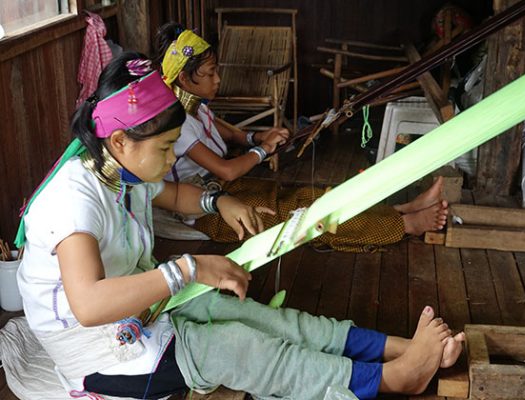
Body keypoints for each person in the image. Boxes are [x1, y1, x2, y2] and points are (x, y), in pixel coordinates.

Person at [15, 52, 464, 400]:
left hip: (143, 312)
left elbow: (174, 194)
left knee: (269, 321)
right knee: (241, 349)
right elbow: (89, 305)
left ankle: (400, 348)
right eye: (166, 148)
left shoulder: (121, 173)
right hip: (101, 352)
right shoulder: (73, 202)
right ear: (119, 141)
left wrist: (218, 200)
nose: (173, 159)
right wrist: (188, 269)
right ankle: (392, 379)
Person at [155, 24, 449, 252]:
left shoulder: (196, 108)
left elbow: (231, 133)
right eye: (209, 73)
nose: (217, 79)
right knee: (301, 217)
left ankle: (398, 210)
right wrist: (263, 150)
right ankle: (404, 225)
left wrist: (259, 136)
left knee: (311, 197)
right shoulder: (176, 122)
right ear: (183, 79)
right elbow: (227, 169)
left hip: (229, 188)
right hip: (208, 212)